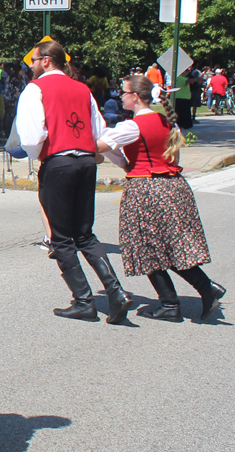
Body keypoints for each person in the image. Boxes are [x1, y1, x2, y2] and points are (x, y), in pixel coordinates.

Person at [16, 39, 133, 324]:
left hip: (59, 161)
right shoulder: (83, 89)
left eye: (33, 60)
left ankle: (83, 300)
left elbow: (31, 138)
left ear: (46, 61)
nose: (30, 65)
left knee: (60, 237)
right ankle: (116, 292)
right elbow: (99, 131)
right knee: (85, 232)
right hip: (84, 161)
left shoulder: (36, 89)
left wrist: (40, 153)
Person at [97, 75, 226, 322]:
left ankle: (172, 302)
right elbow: (174, 161)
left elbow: (98, 146)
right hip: (175, 187)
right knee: (171, 245)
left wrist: (112, 154)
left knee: (145, 246)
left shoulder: (131, 127)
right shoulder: (167, 122)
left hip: (146, 189)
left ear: (135, 96)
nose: (120, 96)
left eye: (123, 92)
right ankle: (202, 289)